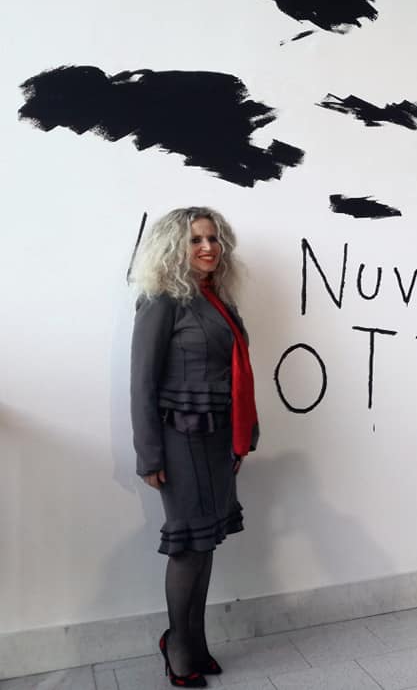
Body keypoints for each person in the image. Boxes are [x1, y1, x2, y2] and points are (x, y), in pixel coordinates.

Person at [129, 207, 258, 687]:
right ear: (173, 247)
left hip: (218, 438)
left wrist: (241, 439)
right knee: (187, 545)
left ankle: (196, 642)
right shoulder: (160, 300)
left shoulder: (215, 297)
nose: (208, 247)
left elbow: (235, 374)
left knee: (205, 544)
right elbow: (142, 382)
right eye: (196, 239)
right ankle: (178, 646)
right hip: (179, 438)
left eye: (214, 239)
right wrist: (149, 454)